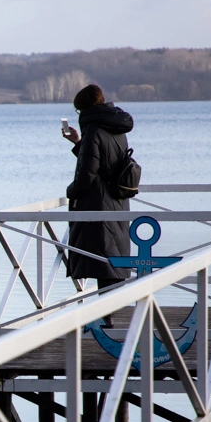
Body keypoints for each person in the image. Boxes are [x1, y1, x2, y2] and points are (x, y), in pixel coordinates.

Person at [62, 84, 134, 316]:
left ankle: (106, 321)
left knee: (102, 262)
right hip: (117, 202)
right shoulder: (116, 128)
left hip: (99, 205)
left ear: (84, 109)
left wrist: (70, 191)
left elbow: (87, 175)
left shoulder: (94, 129)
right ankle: (108, 318)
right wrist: (78, 143)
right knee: (111, 262)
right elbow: (105, 161)